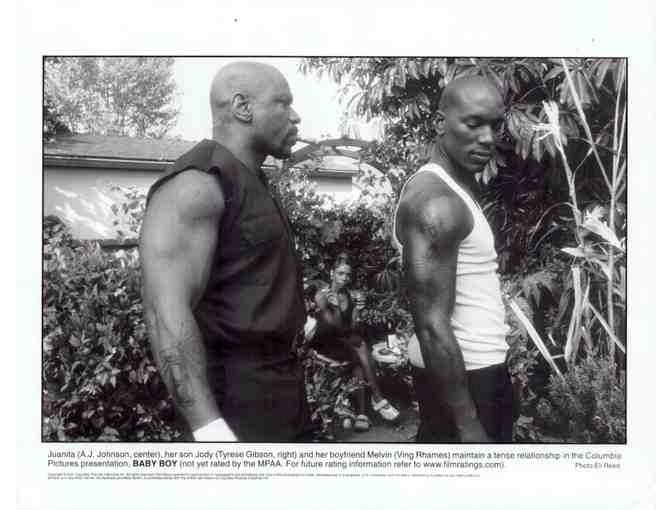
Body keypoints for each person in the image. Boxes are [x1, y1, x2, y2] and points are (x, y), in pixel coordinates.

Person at [140, 61, 310, 442]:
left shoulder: (252, 180)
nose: (296, 116)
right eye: (283, 103)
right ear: (242, 107)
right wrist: (208, 428)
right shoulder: (197, 185)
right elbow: (165, 311)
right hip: (235, 409)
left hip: (282, 395)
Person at [392, 76, 514, 443]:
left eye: (495, 125)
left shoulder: (451, 190)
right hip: (468, 377)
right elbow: (431, 324)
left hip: (472, 371)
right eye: (473, 124)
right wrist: (469, 425)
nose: (488, 138)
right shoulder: (437, 201)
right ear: (439, 124)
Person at [308, 253, 400, 431]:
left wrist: (357, 311)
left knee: (357, 354)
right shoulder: (322, 295)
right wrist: (335, 307)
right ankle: (377, 398)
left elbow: (351, 327)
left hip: (344, 340)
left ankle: (362, 413)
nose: (344, 278)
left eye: (348, 275)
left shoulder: (348, 294)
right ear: (332, 273)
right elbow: (334, 328)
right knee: (360, 346)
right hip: (325, 342)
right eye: (341, 273)